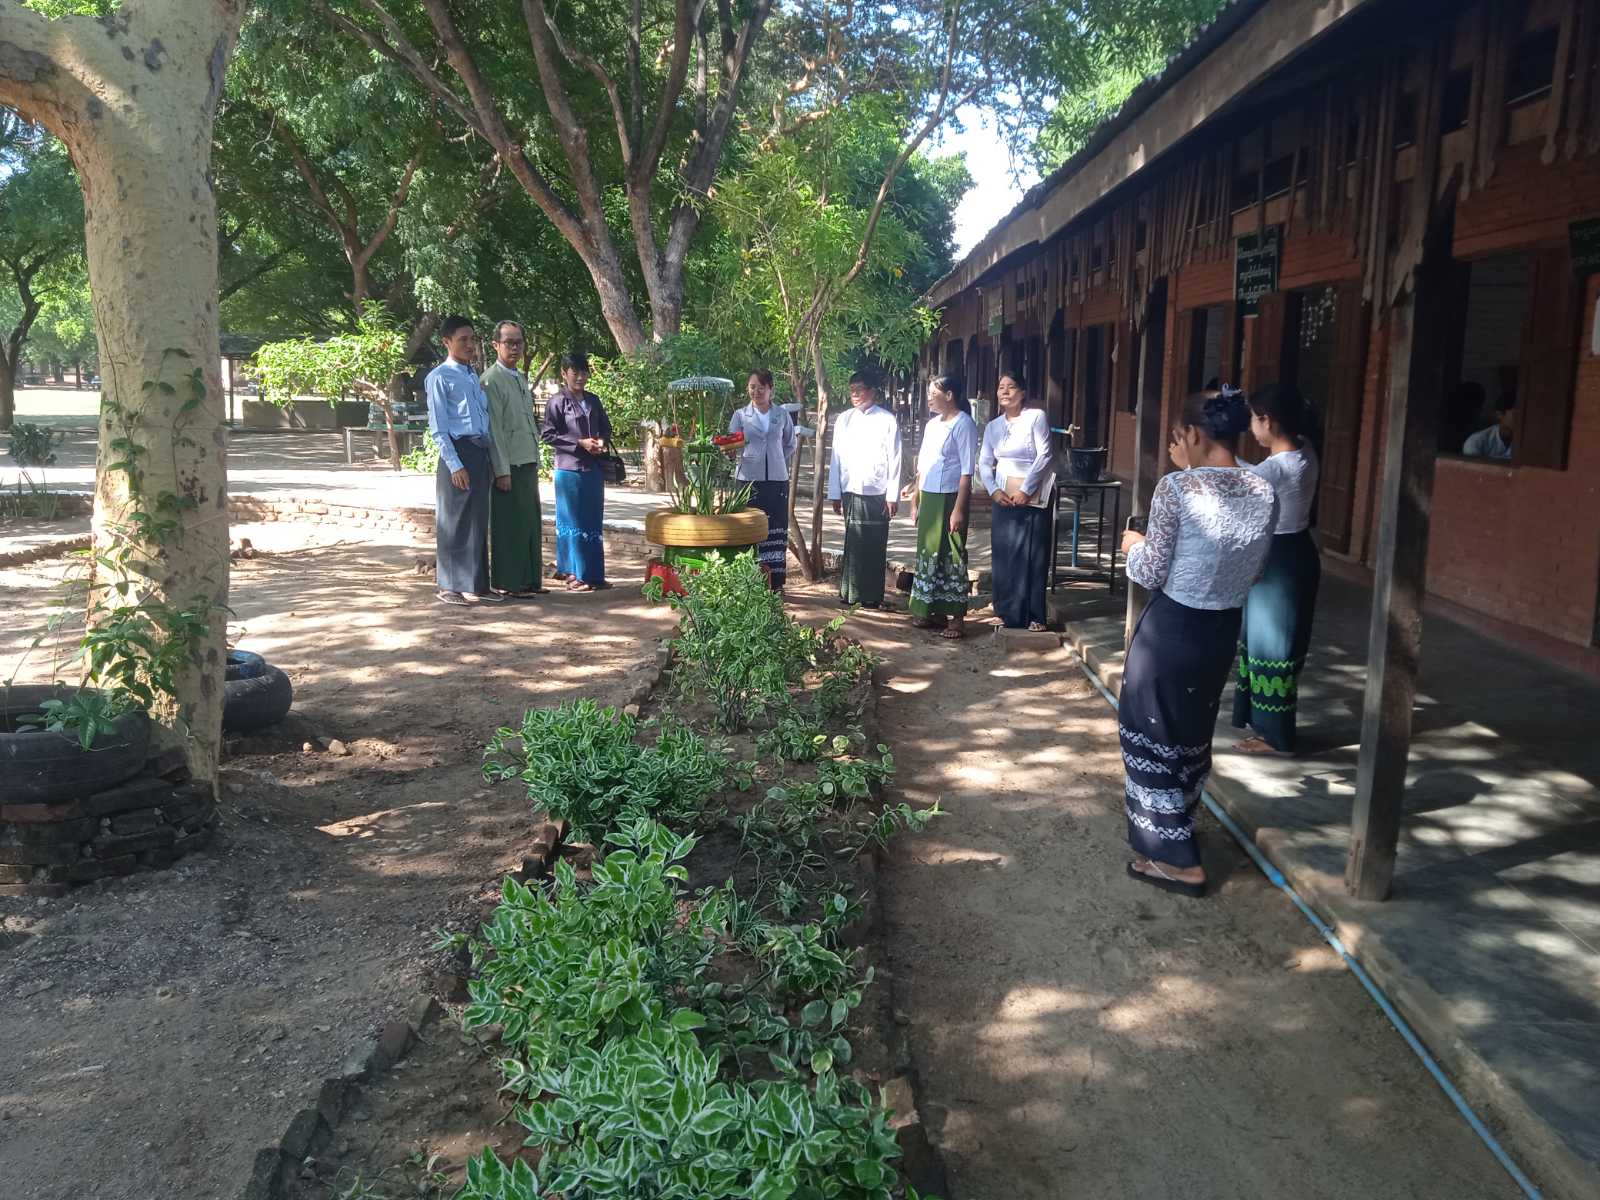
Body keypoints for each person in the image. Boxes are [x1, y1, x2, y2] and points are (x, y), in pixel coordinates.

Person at [1119, 388, 1277, 898]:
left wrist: (1133, 545)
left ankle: (1176, 859)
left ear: (1191, 433)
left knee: (1150, 734)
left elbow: (1150, 572)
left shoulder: (1176, 489)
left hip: (1171, 630)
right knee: (1190, 735)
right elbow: (1256, 570)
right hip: (1221, 629)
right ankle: (1176, 831)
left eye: (1178, 434)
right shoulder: (1264, 489)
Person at [1233, 383, 1321, 755]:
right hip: (1298, 551)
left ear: (1268, 421)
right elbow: (1256, 474)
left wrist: (1210, 459)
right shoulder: (1305, 449)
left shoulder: (1277, 468)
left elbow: (1243, 485)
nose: (1252, 428)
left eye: (1254, 420)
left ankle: (1275, 736)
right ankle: (1263, 724)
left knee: (1272, 646)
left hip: (1278, 561)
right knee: (1271, 640)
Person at [425, 315, 501, 607]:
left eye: (472, 339)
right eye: (462, 340)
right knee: (454, 520)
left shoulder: (472, 376)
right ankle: (449, 585)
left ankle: (478, 584)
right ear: (447, 342)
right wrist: (455, 464)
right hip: (458, 452)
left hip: (479, 451)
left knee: (478, 519)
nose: (470, 345)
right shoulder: (439, 377)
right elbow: (439, 427)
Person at [978, 368, 1054, 631]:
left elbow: (1045, 455)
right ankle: (1005, 611)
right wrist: (994, 490)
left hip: (1032, 496)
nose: (1005, 391)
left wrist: (1026, 489)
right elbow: (985, 462)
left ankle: (1035, 615)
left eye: (1011, 387)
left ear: (1022, 393)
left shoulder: (1036, 417)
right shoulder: (993, 427)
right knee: (1004, 552)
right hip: (1003, 495)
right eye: (1001, 387)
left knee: (1032, 553)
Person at [906, 373, 977, 639]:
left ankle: (956, 618)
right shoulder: (932, 425)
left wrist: (958, 508)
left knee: (952, 551)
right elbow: (923, 465)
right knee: (928, 550)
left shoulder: (964, 424)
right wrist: (915, 499)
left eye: (933, 395)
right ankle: (929, 609)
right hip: (929, 495)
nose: (929, 400)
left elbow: (967, 471)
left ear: (949, 395)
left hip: (950, 496)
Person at [828, 367, 902, 608]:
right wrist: (835, 493)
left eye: (859, 390)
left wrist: (892, 495)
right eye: (852, 390)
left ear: (872, 391)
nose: (855, 395)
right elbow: (836, 458)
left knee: (874, 544)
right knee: (854, 542)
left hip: (877, 490)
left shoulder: (887, 420)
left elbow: (895, 459)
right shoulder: (844, 419)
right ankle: (851, 593)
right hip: (850, 489)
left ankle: (872, 595)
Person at [482, 321, 545, 598]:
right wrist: (501, 470)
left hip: (527, 458)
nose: (515, 347)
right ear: (495, 344)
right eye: (509, 342)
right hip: (509, 465)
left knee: (529, 522)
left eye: (519, 342)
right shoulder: (491, 380)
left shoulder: (519, 377)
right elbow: (494, 428)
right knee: (510, 525)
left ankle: (530, 580)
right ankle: (509, 582)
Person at [540, 352, 613, 592]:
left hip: (593, 470)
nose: (580, 377)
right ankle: (573, 574)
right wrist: (579, 443)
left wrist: (601, 441)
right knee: (572, 521)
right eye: (575, 372)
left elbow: (606, 428)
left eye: (584, 372)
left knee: (592, 520)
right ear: (564, 374)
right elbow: (548, 434)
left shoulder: (593, 400)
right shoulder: (557, 401)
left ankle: (593, 574)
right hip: (569, 470)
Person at [729, 369, 796, 591]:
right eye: (752, 387)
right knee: (749, 527)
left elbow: (790, 443)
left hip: (777, 480)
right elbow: (731, 443)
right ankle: (750, 581)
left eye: (761, 387)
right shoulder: (740, 415)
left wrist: (774, 458)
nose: (756, 391)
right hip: (748, 480)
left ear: (770, 389)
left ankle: (775, 581)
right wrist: (734, 454)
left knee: (775, 527)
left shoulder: (781, 415)